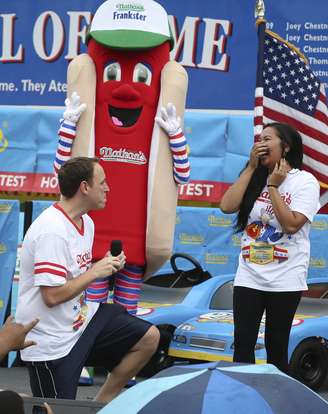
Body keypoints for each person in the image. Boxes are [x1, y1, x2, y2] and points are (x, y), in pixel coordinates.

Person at [15, 157, 159, 402]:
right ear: (84, 187)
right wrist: (95, 272)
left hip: (80, 322)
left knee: (149, 337)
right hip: (50, 341)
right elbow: (52, 296)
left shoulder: (86, 222)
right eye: (102, 182)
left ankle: (99, 405)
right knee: (56, 409)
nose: (108, 188)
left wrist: (103, 265)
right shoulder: (52, 230)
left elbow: (72, 274)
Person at [220, 122, 320, 374]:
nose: (260, 144)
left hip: (285, 278)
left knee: (277, 346)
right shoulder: (255, 176)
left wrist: (274, 186)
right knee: (243, 344)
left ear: (285, 147)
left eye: (267, 139)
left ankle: (278, 403)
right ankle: (243, 402)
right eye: (258, 139)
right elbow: (226, 206)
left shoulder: (305, 181)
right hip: (249, 275)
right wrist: (251, 168)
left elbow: (290, 225)